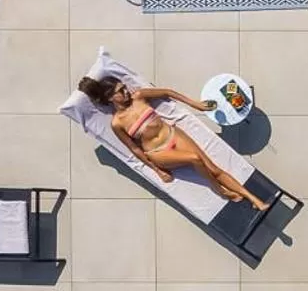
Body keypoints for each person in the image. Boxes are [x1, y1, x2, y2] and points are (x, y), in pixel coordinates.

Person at [77, 75, 270, 211]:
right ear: (110, 98)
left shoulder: (139, 96)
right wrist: (157, 169)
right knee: (195, 159)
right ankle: (219, 189)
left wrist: (196, 104)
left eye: (124, 87)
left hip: (174, 134)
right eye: (121, 91)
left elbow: (168, 92)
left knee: (213, 167)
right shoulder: (117, 123)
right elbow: (134, 148)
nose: (126, 92)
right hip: (159, 152)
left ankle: (254, 199)